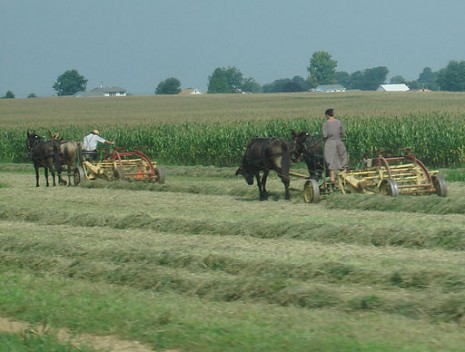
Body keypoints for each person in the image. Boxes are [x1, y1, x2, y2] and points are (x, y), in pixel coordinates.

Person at [322, 108, 348, 185]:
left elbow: (324, 135)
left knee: (331, 160)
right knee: (342, 158)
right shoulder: (339, 122)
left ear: (327, 115)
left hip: (330, 143)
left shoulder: (326, 124)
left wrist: (324, 141)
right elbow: (342, 133)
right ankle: (344, 175)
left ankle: (332, 178)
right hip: (339, 142)